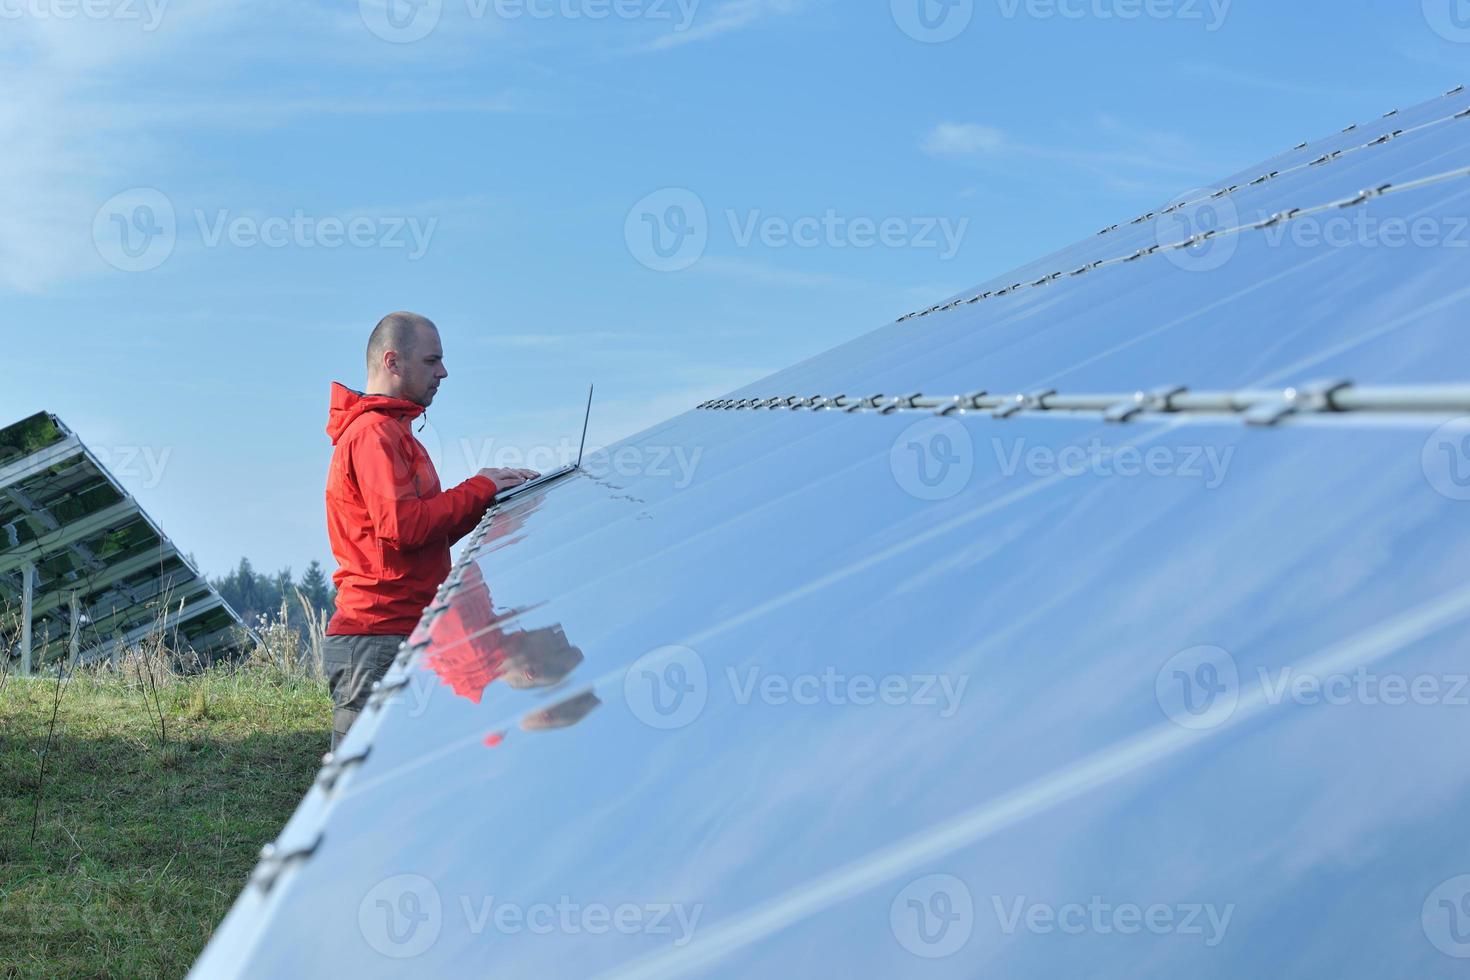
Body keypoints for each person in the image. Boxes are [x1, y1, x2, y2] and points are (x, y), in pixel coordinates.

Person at [322, 311, 538, 748]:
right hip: (377, 638)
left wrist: (489, 498)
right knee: (363, 785)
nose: (443, 372)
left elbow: (421, 536)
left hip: (400, 631)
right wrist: (478, 488)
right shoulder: (373, 435)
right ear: (393, 362)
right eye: (431, 360)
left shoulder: (394, 433)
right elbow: (403, 527)